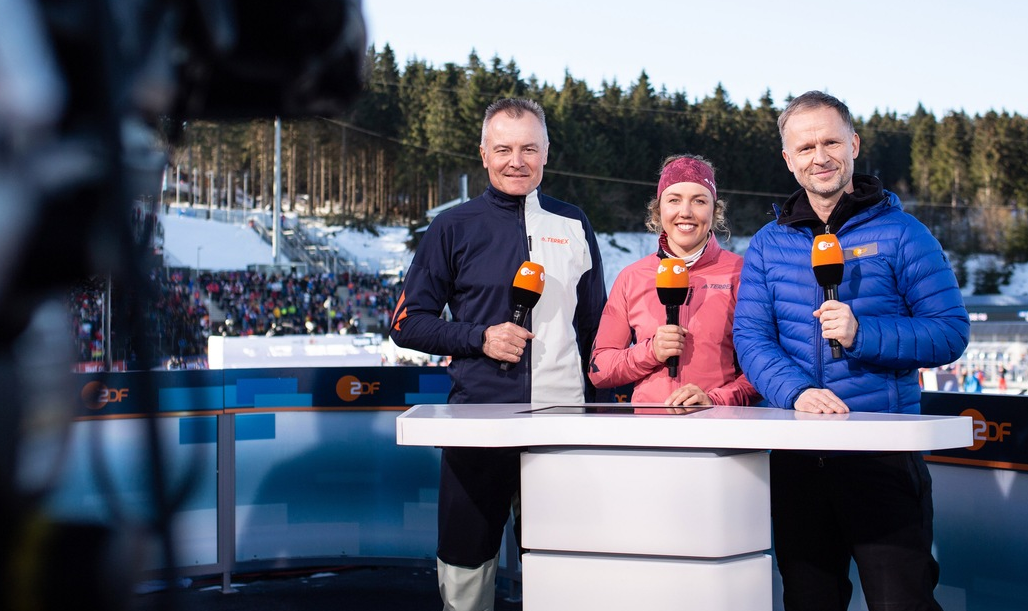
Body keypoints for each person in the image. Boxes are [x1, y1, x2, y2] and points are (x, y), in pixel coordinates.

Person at [732, 90, 970, 611]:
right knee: (810, 600)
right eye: (806, 146)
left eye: (831, 141)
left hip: (881, 454)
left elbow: (950, 332)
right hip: (799, 457)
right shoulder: (770, 244)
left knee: (901, 602)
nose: (820, 156)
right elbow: (750, 337)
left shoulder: (904, 233)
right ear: (788, 159)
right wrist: (795, 392)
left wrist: (864, 333)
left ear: (855, 144)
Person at [390, 97, 606, 611]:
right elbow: (405, 323)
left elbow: (596, 331)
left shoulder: (574, 223)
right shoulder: (452, 226)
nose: (517, 160)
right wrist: (478, 337)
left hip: (563, 424)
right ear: (484, 153)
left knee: (563, 573)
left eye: (529, 148)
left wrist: (604, 413)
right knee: (466, 573)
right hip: (479, 423)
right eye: (504, 148)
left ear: (547, 153)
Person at [589, 154, 760, 407]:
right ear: (659, 210)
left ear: (715, 210)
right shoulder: (632, 277)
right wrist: (651, 351)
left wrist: (715, 400)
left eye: (699, 201)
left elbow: (762, 369)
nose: (686, 212)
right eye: (674, 200)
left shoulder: (742, 273)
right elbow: (600, 370)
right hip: (651, 434)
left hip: (721, 433)